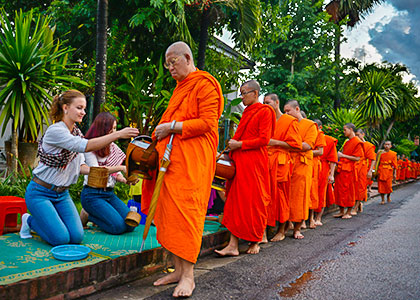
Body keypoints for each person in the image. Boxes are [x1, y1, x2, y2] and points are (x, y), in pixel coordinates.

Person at [141, 42, 224, 298]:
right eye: (167, 64)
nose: (169, 68)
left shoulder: (204, 84)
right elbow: (170, 122)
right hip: (171, 163)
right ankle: (177, 270)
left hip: (192, 163)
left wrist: (172, 127)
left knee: (186, 215)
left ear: (187, 57)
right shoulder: (181, 88)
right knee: (170, 217)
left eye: (172, 62)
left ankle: (189, 277)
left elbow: (207, 123)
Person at [19, 90, 138, 245]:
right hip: (40, 192)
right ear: (65, 108)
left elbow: (83, 167)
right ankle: (29, 221)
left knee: (76, 237)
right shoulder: (56, 131)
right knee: (60, 239)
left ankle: (53, 222)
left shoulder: (76, 132)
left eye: (84, 108)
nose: (83, 112)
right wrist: (117, 135)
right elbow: (85, 146)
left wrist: (117, 172)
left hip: (62, 194)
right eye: (79, 108)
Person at [215, 80, 275, 255]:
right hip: (240, 162)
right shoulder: (248, 111)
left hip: (254, 163)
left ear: (255, 93)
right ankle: (232, 246)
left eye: (244, 93)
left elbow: (264, 140)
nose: (241, 97)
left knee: (253, 202)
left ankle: (255, 241)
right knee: (235, 202)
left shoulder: (265, 111)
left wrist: (239, 144)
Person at [80, 112, 135, 235]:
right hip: (92, 194)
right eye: (111, 128)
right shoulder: (90, 146)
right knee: (118, 228)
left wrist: (124, 180)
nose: (114, 131)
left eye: (115, 128)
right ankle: (89, 214)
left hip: (109, 194)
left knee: (130, 224)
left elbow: (114, 174)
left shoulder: (113, 147)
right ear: (102, 129)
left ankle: (98, 214)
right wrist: (121, 168)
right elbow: (96, 171)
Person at [263, 93, 302, 242]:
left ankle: (281, 230)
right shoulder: (266, 120)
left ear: (277, 102)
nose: (266, 106)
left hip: (281, 163)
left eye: (268, 102)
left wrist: (275, 143)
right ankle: (265, 231)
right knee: (267, 197)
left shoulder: (289, 121)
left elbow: (296, 145)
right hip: (266, 162)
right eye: (264, 103)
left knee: (282, 198)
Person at [283, 100, 318, 239]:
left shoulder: (310, 125)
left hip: (302, 165)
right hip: (286, 163)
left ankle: (297, 228)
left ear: (297, 109)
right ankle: (285, 226)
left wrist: (286, 145)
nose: (286, 114)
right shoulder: (287, 124)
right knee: (285, 196)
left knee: (300, 196)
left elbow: (307, 145)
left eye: (288, 111)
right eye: (284, 112)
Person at [333, 123, 364, 219]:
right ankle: (341, 211)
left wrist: (343, 156)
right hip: (341, 169)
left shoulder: (357, 142)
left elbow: (357, 158)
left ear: (351, 129)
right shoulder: (347, 142)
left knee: (349, 191)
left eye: (345, 130)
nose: (344, 132)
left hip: (349, 170)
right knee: (339, 190)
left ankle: (349, 212)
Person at [314, 121, 337, 226]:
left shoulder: (329, 140)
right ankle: (310, 218)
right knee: (311, 193)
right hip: (312, 166)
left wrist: (331, 174)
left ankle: (318, 218)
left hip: (323, 168)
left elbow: (333, 159)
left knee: (321, 193)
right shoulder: (310, 136)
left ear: (320, 127)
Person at [353, 129, 376, 214]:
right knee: (354, 187)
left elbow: (373, 159)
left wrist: (370, 171)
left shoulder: (368, 145)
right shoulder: (354, 144)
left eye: (358, 135)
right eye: (355, 135)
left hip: (362, 168)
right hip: (353, 167)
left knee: (361, 187)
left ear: (363, 134)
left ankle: (355, 208)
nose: (356, 137)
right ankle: (358, 205)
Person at [308, 120, 326, 229]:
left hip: (313, 164)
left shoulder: (319, 135)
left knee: (312, 193)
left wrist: (305, 151)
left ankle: (311, 218)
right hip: (299, 162)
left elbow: (320, 152)